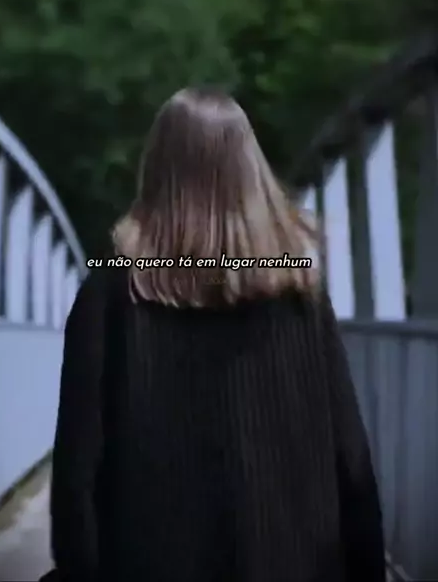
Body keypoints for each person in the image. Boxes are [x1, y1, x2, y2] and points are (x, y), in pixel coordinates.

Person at [49, 87, 386, 582]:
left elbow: (77, 467)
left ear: (158, 171)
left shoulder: (111, 290)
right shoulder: (297, 291)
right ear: (251, 174)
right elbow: (349, 457)